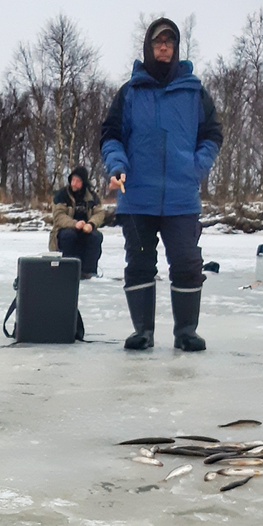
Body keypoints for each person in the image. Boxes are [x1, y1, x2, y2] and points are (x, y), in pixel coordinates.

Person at [100, 18, 222, 351]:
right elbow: (111, 136)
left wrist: (197, 168)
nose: (164, 46)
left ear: (177, 47)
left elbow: (212, 134)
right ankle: (143, 331)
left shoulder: (194, 91)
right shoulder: (130, 92)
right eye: (158, 42)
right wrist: (117, 166)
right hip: (137, 196)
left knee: (186, 262)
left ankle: (186, 332)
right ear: (149, 47)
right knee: (139, 264)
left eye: (169, 41)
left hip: (181, 196)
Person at [49, 166, 105, 277]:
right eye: (73, 180)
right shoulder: (62, 195)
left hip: (85, 231)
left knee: (96, 236)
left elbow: (100, 213)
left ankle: (89, 272)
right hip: (64, 231)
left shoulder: (92, 197)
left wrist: (91, 224)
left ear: (84, 183)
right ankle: (68, 271)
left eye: (78, 181)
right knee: (69, 235)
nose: (74, 184)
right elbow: (59, 216)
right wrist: (75, 224)